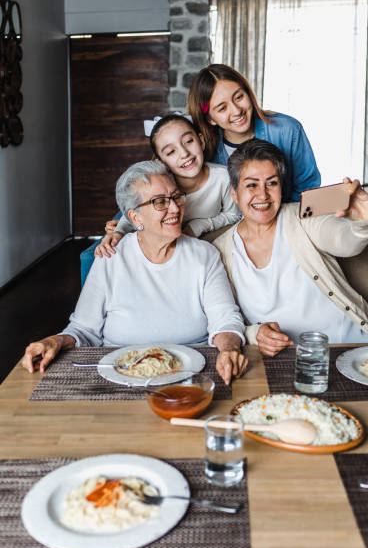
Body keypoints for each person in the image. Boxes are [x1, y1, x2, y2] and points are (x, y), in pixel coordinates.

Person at [22, 161, 248, 384]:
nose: (175, 208)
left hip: (192, 377)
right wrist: (56, 341)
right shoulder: (111, 258)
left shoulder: (204, 255)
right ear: (135, 217)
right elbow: (84, 329)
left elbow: (225, 320)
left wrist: (228, 348)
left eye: (176, 197)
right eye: (160, 202)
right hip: (120, 378)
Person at [212, 138, 368, 356]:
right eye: (251, 185)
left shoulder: (303, 216)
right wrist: (254, 333)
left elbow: (344, 241)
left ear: (281, 188)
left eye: (272, 183)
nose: (263, 195)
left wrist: (362, 224)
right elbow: (221, 319)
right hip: (285, 359)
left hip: (348, 345)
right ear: (235, 193)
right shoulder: (220, 250)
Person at [95, 113, 241, 259]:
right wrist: (118, 232)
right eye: (171, 152)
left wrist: (199, 225)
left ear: (201, 141)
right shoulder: (159, 183)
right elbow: (138, 210)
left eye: (189, 141)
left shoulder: (223, 177)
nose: (184, 153)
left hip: (203, 242)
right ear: (162, 162)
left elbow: (233, 215)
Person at [187, 63, 321, 203]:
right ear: (209, 119)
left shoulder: (288, 130)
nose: (237, 111)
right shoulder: (205, 152)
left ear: (248, 93)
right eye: (222, 108)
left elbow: (308, 190)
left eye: (239, 97)